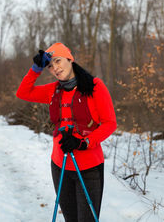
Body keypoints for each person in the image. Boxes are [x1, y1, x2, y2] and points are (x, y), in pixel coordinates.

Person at [16, 42, 117, 221]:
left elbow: (110, 124)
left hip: (89, 168)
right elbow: (23, 93)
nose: (55, 68)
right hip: (59, 165)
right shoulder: (53, 90)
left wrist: (83, 142)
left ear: (70, 59)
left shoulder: (94, 86)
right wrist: (36, 69)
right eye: (50, 65)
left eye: (58, 61)